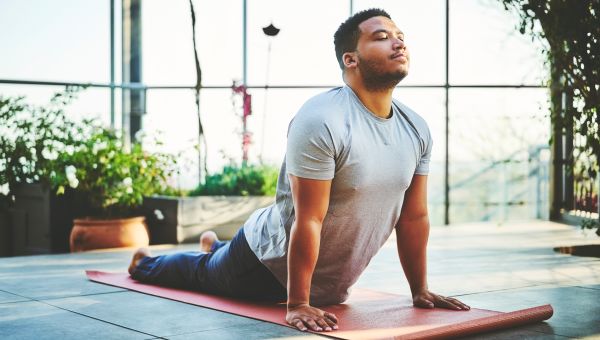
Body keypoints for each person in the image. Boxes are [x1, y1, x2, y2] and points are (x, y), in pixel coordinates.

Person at [128, 8, 470, 333]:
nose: (399, 43)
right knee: (202, 273)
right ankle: (146, 262)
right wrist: (297, 303)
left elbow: (413, 217)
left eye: (400, 35)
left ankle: (214, 245)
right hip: (265, 264)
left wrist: (420, 289)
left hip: (326, 281)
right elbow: (309, 218)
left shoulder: (416, 128)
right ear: (350, 59)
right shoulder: (322, 118)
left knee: (215, 259)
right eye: (382, 36)